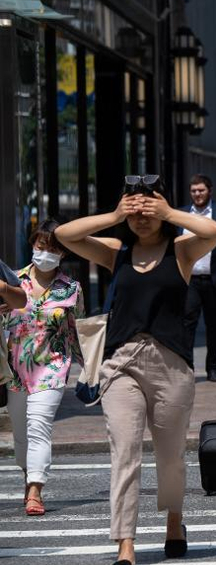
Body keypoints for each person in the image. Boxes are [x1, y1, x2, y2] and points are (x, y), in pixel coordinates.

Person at [55, 175, 216, 564]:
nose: (141, 217)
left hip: (171, 364)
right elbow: (66, 234)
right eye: (135, 210)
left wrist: (168, 211)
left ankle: (174, 521)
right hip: (122, 363)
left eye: (148, 209)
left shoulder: (180, 250)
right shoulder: (116, 250)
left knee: (170, 456)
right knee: (125, 451)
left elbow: (214, 230)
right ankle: (125, 543)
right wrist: (114, 214)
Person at [1, 221, 83, 517]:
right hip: (15, 368)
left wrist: (90, 370)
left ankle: (36, 488)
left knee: (39, 426)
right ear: (32, 246)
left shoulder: (71, 289)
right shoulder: (12, 280)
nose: (45, 253)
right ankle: (28, 475)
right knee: (21, 433)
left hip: (52, 366)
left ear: (62, 254)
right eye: (40, 247)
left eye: (52, 249)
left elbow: (80, 332)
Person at [179, 174, 216, 382]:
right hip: (190, 281)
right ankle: (186, 368)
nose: (197, 194)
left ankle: (213, 367)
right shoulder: (182, 215)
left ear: (210, 191)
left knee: (215, 326)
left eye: (201, 190)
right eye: (193, 191)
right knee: (187, 325)